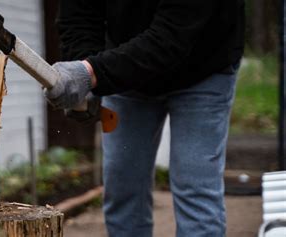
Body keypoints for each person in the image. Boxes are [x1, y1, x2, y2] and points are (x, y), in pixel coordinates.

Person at [45, 0, 245, 236]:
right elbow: (79, 14)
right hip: (125, 69)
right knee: (123, 188)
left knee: (195, 189)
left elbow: (172, 37)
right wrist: (82, 69)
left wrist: (93, 73)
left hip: (203, 65)